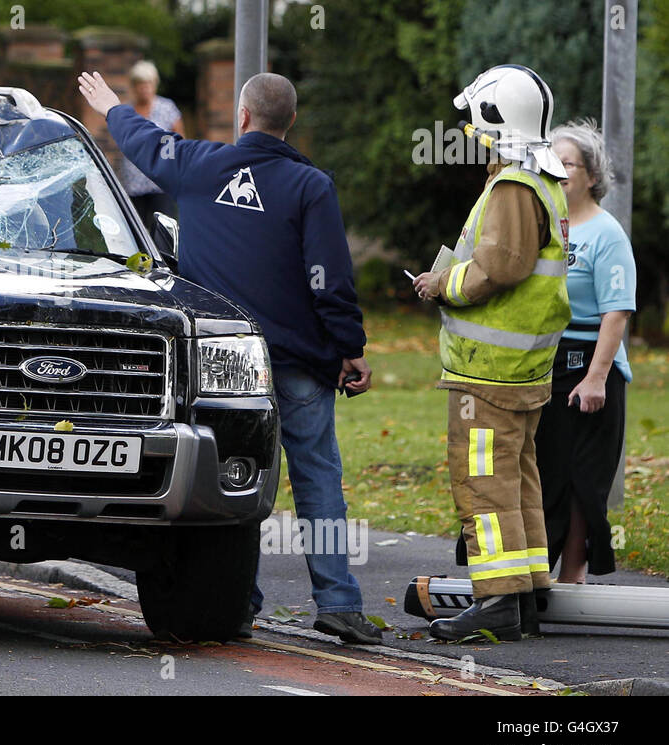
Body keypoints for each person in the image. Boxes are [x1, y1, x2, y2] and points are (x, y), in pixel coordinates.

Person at [78, 69, 381, 646]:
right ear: (290, 123)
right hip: (296, 363)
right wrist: (349, 349)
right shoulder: (310, 186)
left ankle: (238, 600)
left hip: (223, 367)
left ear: (242, 117)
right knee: (318, 481)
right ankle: (339, 604)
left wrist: (113, 106)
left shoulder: (198, 165)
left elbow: (144, 143)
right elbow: (330, 279)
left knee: (235, 480)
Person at [412, 64, 570, 643]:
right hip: (522, 370)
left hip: (488, 374)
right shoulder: (544, 182)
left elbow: (499, 267)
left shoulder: (512, 187)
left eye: (476, 128)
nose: (471, 140)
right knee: (518, 478)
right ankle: (526, 591)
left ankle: (497, 601)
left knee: (483, 482)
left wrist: (441, 285)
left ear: (496, 123)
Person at [535, 120, 635, 583]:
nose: (557, 169)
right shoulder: (543, 224)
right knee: (546, 472)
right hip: (543, 366)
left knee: (581, 480)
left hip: (591, 367)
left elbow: (616, 313)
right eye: (551, 160)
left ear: (592, 176)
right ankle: (529, 577)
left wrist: (595, 377)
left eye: (567, 162)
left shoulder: (607, 234)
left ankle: (571, 579)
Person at [114, 61, 185, 224]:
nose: (144, 88)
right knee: (136, 229)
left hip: (160, 180)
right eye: (140, 84)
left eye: (148, 83)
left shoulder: (167, 108)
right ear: (134, 86)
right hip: (132, 182)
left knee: (163, 229)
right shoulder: (127, 111)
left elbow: (179, 141)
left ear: (155, 84)